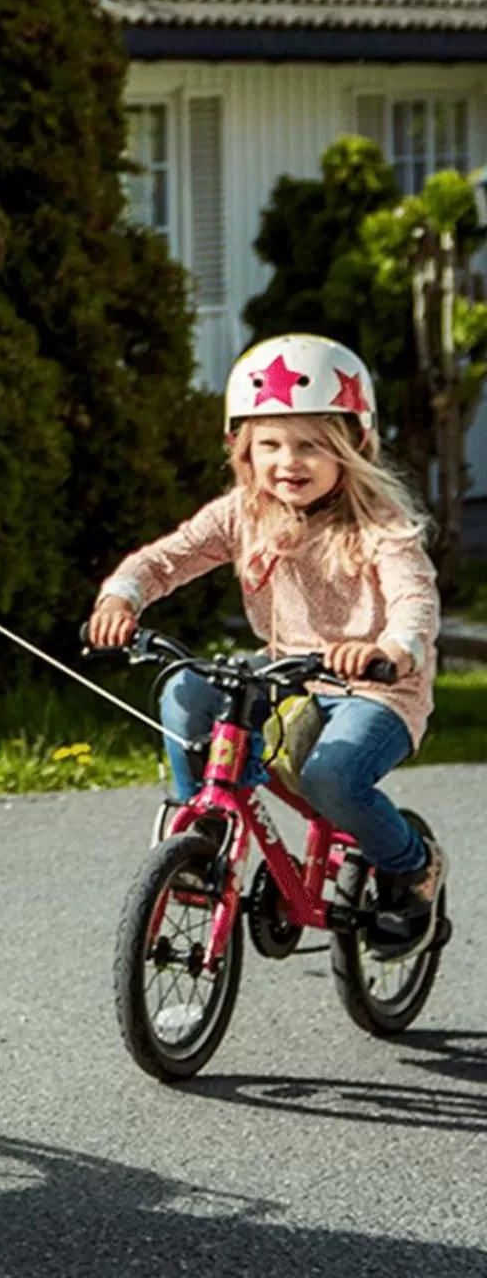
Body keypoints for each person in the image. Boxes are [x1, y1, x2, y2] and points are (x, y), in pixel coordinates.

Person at [86, 332, 444, 959]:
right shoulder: (245, 512)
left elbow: (415, 598)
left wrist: (393, 645)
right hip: (288, 673)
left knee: (332, 776)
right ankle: (199, 824)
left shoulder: (379, 522)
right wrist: (123, 596)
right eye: (270, 444)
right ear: (242, 450)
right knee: (184, 689)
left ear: (353, 445)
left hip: (377, 687)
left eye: (311, 445)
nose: (289, 461)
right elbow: (171, 556)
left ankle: (411, 870)